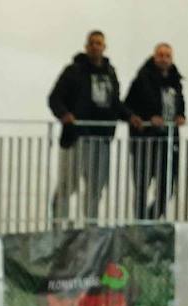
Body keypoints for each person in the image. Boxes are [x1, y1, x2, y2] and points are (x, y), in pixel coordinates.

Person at [47, 30, 122, 223]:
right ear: (86, 46)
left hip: (101, 139)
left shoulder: (110, 73)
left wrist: (131, 117)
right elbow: (55, 98)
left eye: (99, 43)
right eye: (92, 43)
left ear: (104, 47)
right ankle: (58, 224)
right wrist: (64, 114)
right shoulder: (73, 71)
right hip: (76, 137)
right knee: (68, 184)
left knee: (96, 187)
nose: (96, 46)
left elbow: (115, 103)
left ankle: (91, 226)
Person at [124, 42, 185, 220]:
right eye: (160, 55)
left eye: (167, 56)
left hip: (168, 140)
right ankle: (139, 223)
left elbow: (179, 104)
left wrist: (181, 115)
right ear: (154, 57)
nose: (164, 59)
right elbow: (128, 106)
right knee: (142, 186)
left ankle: (149, 220)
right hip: (145, 140)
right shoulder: (141, 79)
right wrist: (147, 118)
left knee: (167, 188)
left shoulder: (177, 81)